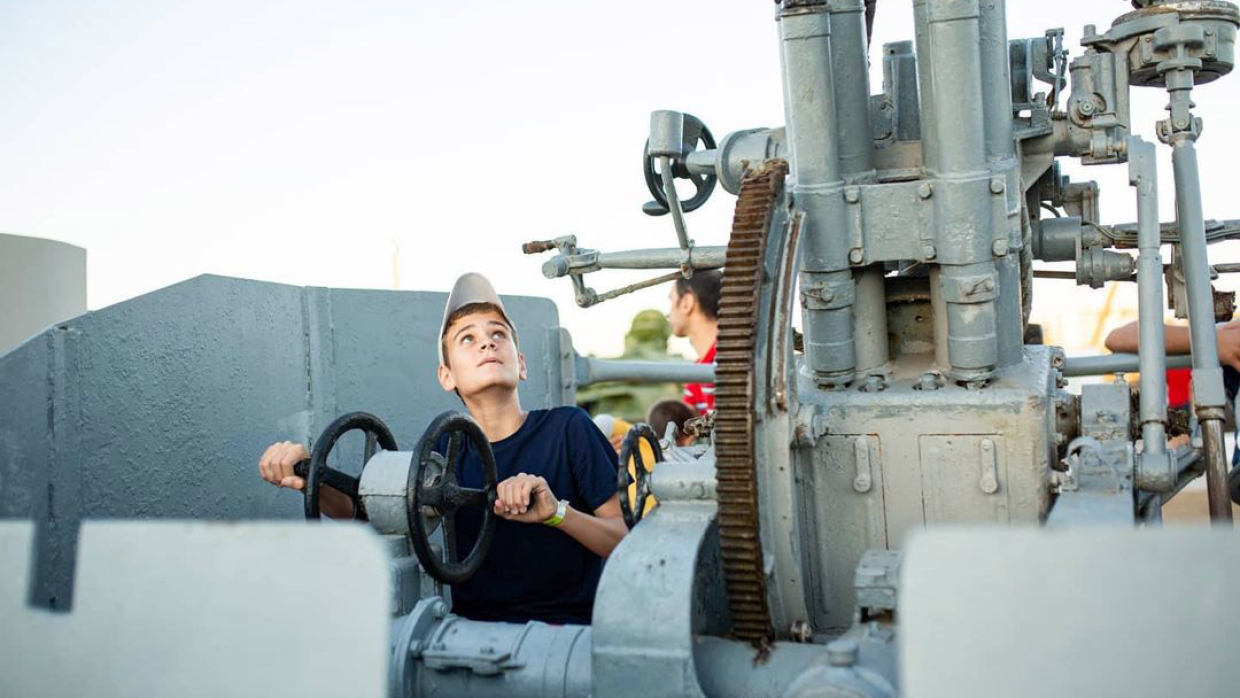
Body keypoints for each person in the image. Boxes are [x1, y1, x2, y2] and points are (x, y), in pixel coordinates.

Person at [258, 272, 626, 624]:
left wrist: (556, 513)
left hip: (570, 635)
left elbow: (623, 540)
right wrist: (312, 477)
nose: (487, 342)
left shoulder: (569, 429)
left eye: (498, 334)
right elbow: (367, 509)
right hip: (470, 640)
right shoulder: (440, 457)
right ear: (446, 375)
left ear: (522, 364)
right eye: (467, 338)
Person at [1105, 319, 1240, 498]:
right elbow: (1117, 338)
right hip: (1179, 403)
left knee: (1181, 437)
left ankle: (1179, 451)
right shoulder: (1231, 338)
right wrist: (1215, 340)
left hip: (1179, 402)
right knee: (1181, 437)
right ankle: (1179, 453)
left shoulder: (1179, 363)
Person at [667, 270, 721, 416]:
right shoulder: (699, 370)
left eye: (671, 301)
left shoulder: (724, 362)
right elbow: (683, 428)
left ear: (686, 303)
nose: (668, 313)